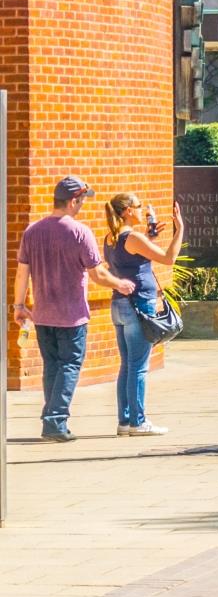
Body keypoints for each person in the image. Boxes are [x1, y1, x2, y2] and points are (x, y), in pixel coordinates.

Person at [13, 178, 122, 441]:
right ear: (73, 200)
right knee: (70, 365)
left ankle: (51, 418)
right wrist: (122, 283)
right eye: (83, 200)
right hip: (72, 316)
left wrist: (19, 306)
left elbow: (21, 274)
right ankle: (54, 421)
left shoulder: (32, 231)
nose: (83, 205)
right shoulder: (80, 232)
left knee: (53, 366)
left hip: (42, 315)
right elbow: (97, 274)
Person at [102, 193, 181, 436]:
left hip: (120, 305)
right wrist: (180, 230)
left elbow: (130, 257)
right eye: (137, 207)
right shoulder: (132, 237)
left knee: (127, 366)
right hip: (139, 306)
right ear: (126, 210)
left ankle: (125, 421)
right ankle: (138, 422)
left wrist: (149, 237)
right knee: (138, 367)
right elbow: (169, 258)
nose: (142, 211)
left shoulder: (110, 238)